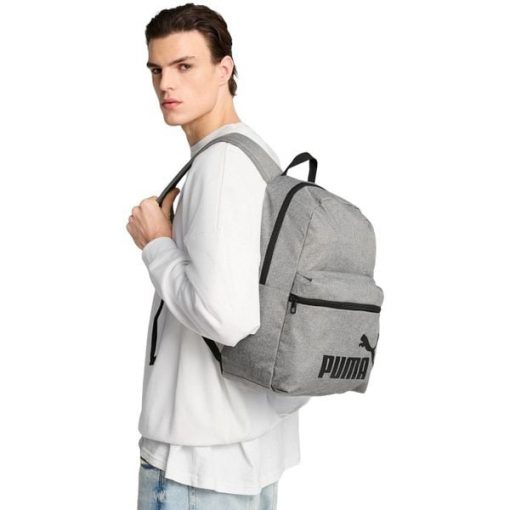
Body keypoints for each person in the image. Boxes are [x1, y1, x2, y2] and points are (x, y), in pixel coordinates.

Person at [126, 4, 309, 509]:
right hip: (243, 453)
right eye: (156, 69)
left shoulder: (220, 166)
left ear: (224, 69)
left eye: (184, 66)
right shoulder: (255, 154)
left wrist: (156, 244)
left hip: (195, 469)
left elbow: (226, 317)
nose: (166, 84)